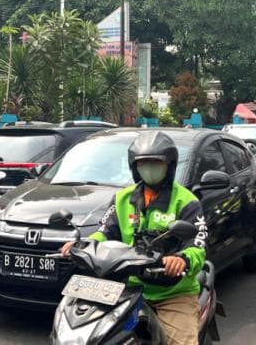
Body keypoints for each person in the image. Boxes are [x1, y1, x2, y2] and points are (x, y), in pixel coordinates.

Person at [61, 131, 206, 345]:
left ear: (169, 165)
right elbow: (106, 231)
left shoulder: (186, 201)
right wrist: (83, 245)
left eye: (156, 162)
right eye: (143, 163)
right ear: (135, 167)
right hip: (123, 288)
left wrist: (181, 259)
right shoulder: (123, 198)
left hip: (172, 293)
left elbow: (197, 247)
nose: (149, 168)